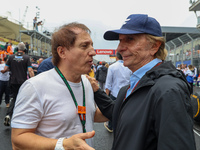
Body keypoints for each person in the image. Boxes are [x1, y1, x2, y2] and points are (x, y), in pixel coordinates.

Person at [87, 14, 196, 150]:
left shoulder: (168, 90)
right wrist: (97, 90)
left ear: (154, 46)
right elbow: (117, 113)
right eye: (120, 41)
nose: (120, 48)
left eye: (130, 39)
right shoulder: (129, 87)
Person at [11, 22, 107, 150]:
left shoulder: (86, 83)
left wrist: (125, 107)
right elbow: (18, 138)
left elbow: (89, 114)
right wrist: (63, 145)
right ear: (62, 52)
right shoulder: (35, 86)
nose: (93, 52)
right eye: (84, 46)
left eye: (92, 46)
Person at [1, 42, 34, 126]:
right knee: (23, 99)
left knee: (14, 98)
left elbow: (6, 68)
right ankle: (20, 118)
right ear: (24, 49)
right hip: (22, 82)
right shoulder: (27, 58)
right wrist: (33, 80)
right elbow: (30, 70)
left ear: (17, 49)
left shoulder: (11, 57)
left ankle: (9, 114)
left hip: (12, 81)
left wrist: (10, 69)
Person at [103, 52, 132, 132]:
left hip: (114, 94)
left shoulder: (112, 67)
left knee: (113, 112)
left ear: (116, 57)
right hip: (127, 93)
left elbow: (108, 84)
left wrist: (106, 97)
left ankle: (111, 126)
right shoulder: (129, 67)